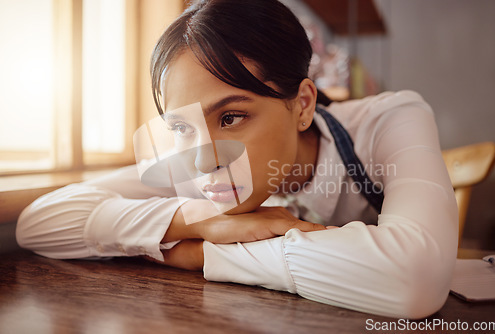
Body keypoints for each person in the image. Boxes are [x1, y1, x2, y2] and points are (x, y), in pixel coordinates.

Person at [16, 0, 458, 319]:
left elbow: (413, 280)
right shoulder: (195, 160)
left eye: (230, 117)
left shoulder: (388, 121)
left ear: (303, 104)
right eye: (180, 126)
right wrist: (194, 221)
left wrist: (199, 254)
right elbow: (39, 221)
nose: (204, 162)